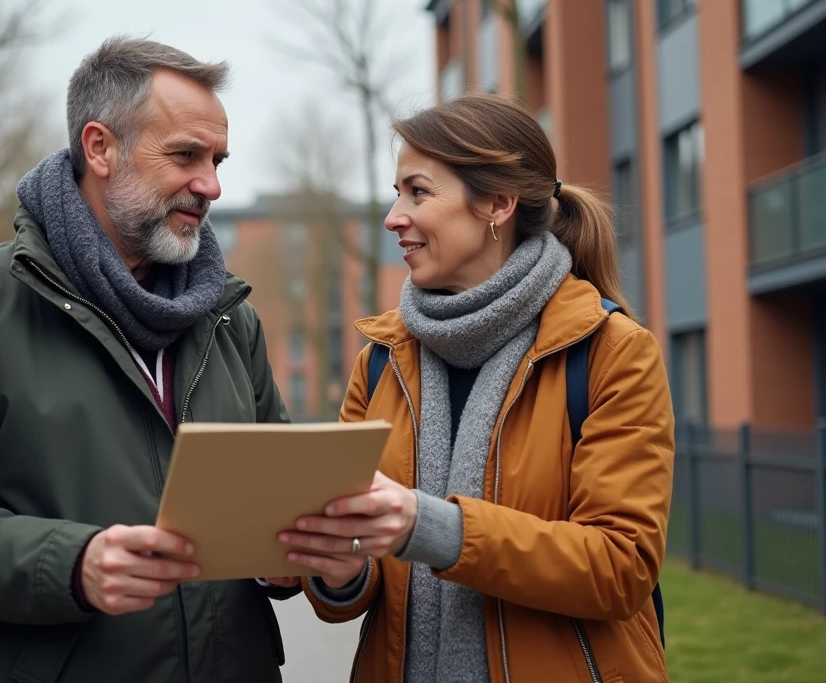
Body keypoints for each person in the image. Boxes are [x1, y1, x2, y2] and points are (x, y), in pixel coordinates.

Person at [0, 37, 300, 683]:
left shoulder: (234, 320)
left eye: (217, 159)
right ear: (99, 148)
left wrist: (289, 554)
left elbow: (277, 497)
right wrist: (72, 563)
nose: (210, 184)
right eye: (185, 155)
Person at [278, 94, 675, 682]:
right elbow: (359, 591)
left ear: (497, 203)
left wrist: (430, 527)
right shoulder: (379, 362)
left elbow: (620, 567)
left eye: (418, 191)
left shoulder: (612, 351)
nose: (393, 217)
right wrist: (339, 570)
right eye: (396, 193)